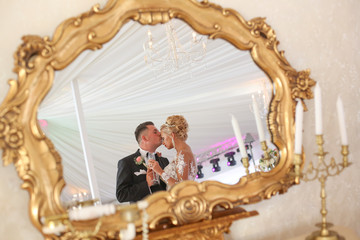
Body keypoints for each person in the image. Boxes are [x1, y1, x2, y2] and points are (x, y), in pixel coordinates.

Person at [116, 121, 169, 203]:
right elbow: (121, 195)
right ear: (145, 138)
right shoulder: (127, 162)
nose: (160, 134)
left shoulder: (164, 160)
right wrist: (147, 184)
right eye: (155, 132)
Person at [148, 115, 197, 189]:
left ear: (172, 135)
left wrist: (160, 172)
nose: (163, 143)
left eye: (163, 138)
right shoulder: (185, 150)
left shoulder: (183, 153)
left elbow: (182, 187)